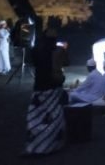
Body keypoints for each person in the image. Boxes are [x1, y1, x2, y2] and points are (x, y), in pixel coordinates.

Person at [23, 19, 69, 156]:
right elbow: (66, 62)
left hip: (39, 85)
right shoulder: (58, 50)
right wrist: (65, 50)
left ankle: (34, 145)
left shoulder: (36, 49)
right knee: (54, 116)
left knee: (36, 116)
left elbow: (32, 62)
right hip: (54, 84)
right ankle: (51, 144)